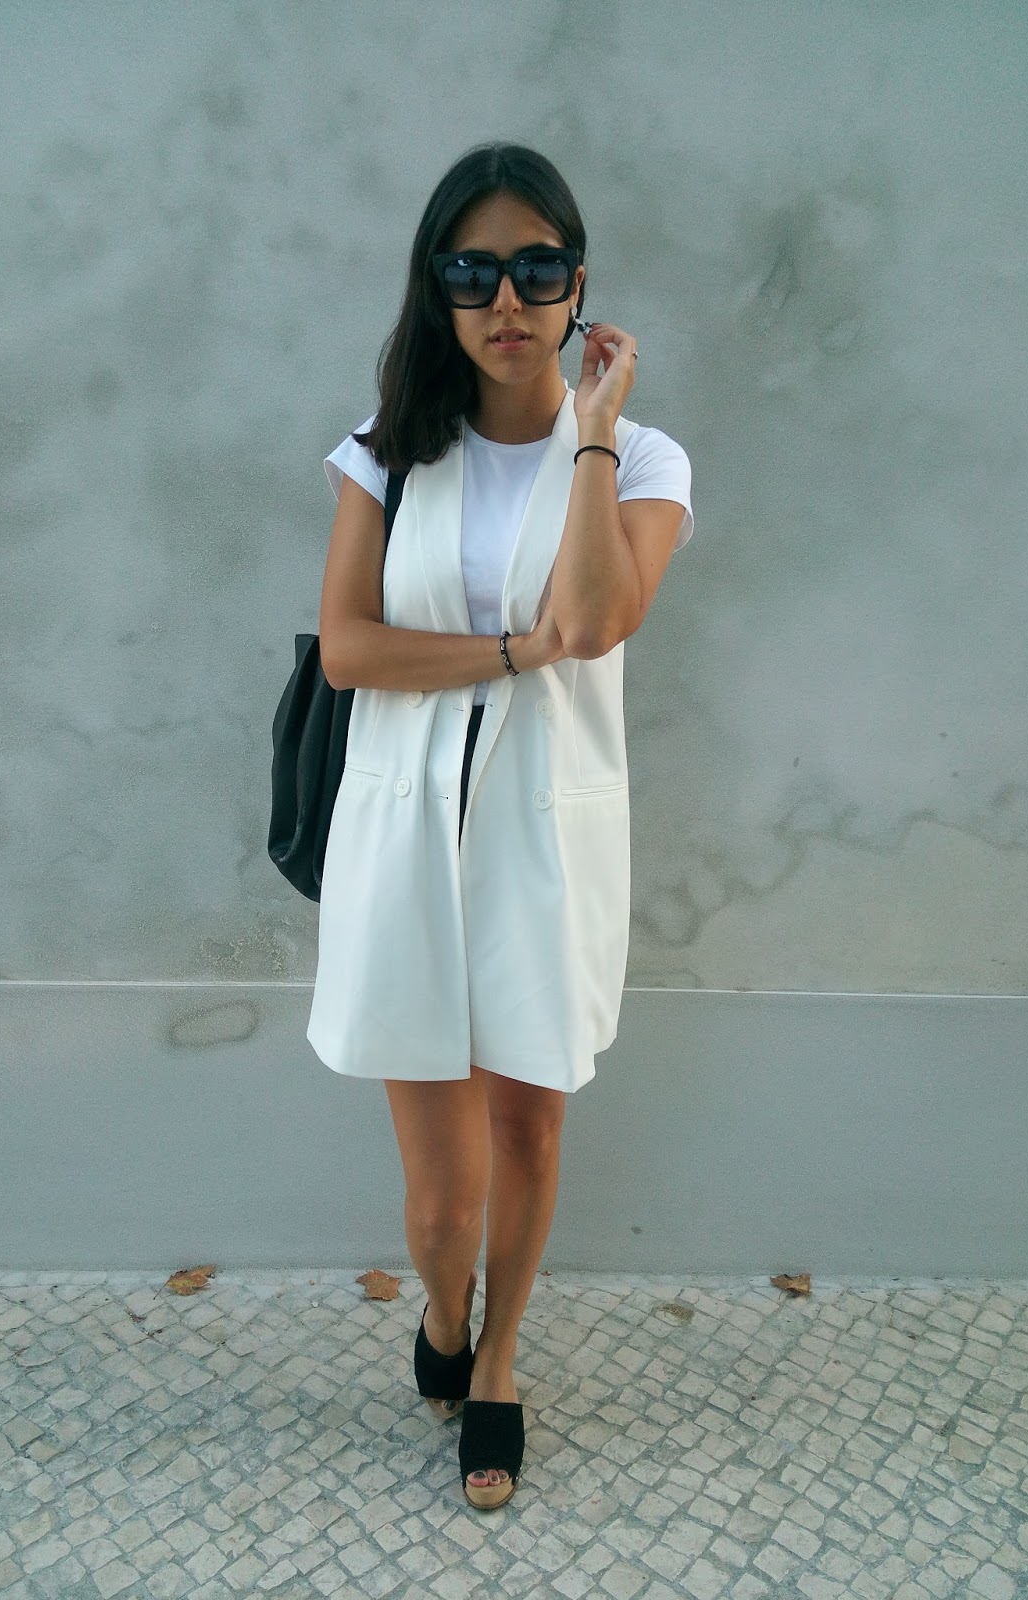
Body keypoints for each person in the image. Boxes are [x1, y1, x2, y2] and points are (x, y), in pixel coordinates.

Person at [309, 142, 693, 1511]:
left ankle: (499, 1359)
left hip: (546, 835)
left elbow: (595, 618)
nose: (507, 300)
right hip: (407, 832)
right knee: (437, 1200)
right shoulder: (386, 452)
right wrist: (511, 656)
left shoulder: (640, 458)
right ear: (438, 289)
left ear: (578, 283)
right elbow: (350, 649)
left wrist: (590, 434)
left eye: (537, 268)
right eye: (473, 272)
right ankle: (444, 1305)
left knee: (529, 1130)